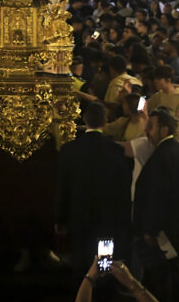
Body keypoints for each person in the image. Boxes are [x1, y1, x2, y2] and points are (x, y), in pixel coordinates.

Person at [55, 102, 133, 272]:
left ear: (85, 120)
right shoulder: (116, 151)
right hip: (107, 217)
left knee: (81, 260)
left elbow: (63, 187)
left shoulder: (69, 150)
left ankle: (83, 291)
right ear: (105, 122)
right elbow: (123, 188)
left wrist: (60, 218)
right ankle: (103, 290)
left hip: (78, 215)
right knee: (104, 263)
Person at [128, 108, 179, 302]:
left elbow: (156, 197)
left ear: (164, 130)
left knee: (160, 279)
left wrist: (150, 230)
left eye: (151, 127)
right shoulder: (177, 149)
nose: (147, 132)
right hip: (174, 227)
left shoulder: (163, 155)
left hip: (161, 232)